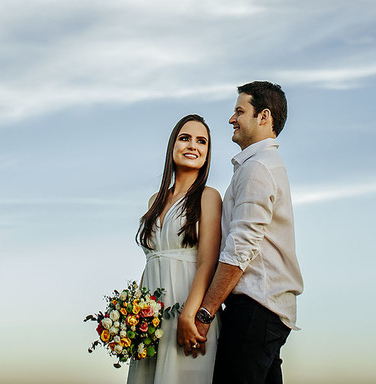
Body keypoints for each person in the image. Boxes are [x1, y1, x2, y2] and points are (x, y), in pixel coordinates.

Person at [192, 81, 303, 384]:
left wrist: (205, 314)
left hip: (255, 309)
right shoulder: (261, 165)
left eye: (240, 111)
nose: (232, 119)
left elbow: (240, 247)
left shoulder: (258, 168)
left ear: (264, 117)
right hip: (266, 311)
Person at [128, 115, 223, 384]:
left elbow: (208, 261)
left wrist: (189, 315)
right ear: (172, 146)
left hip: (187, 313)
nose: (193, 146)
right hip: (152, 320)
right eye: (185, 138)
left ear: (207, 153)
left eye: (201, 141)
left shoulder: (208, 196)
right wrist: (134, 315)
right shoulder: (154, 201)